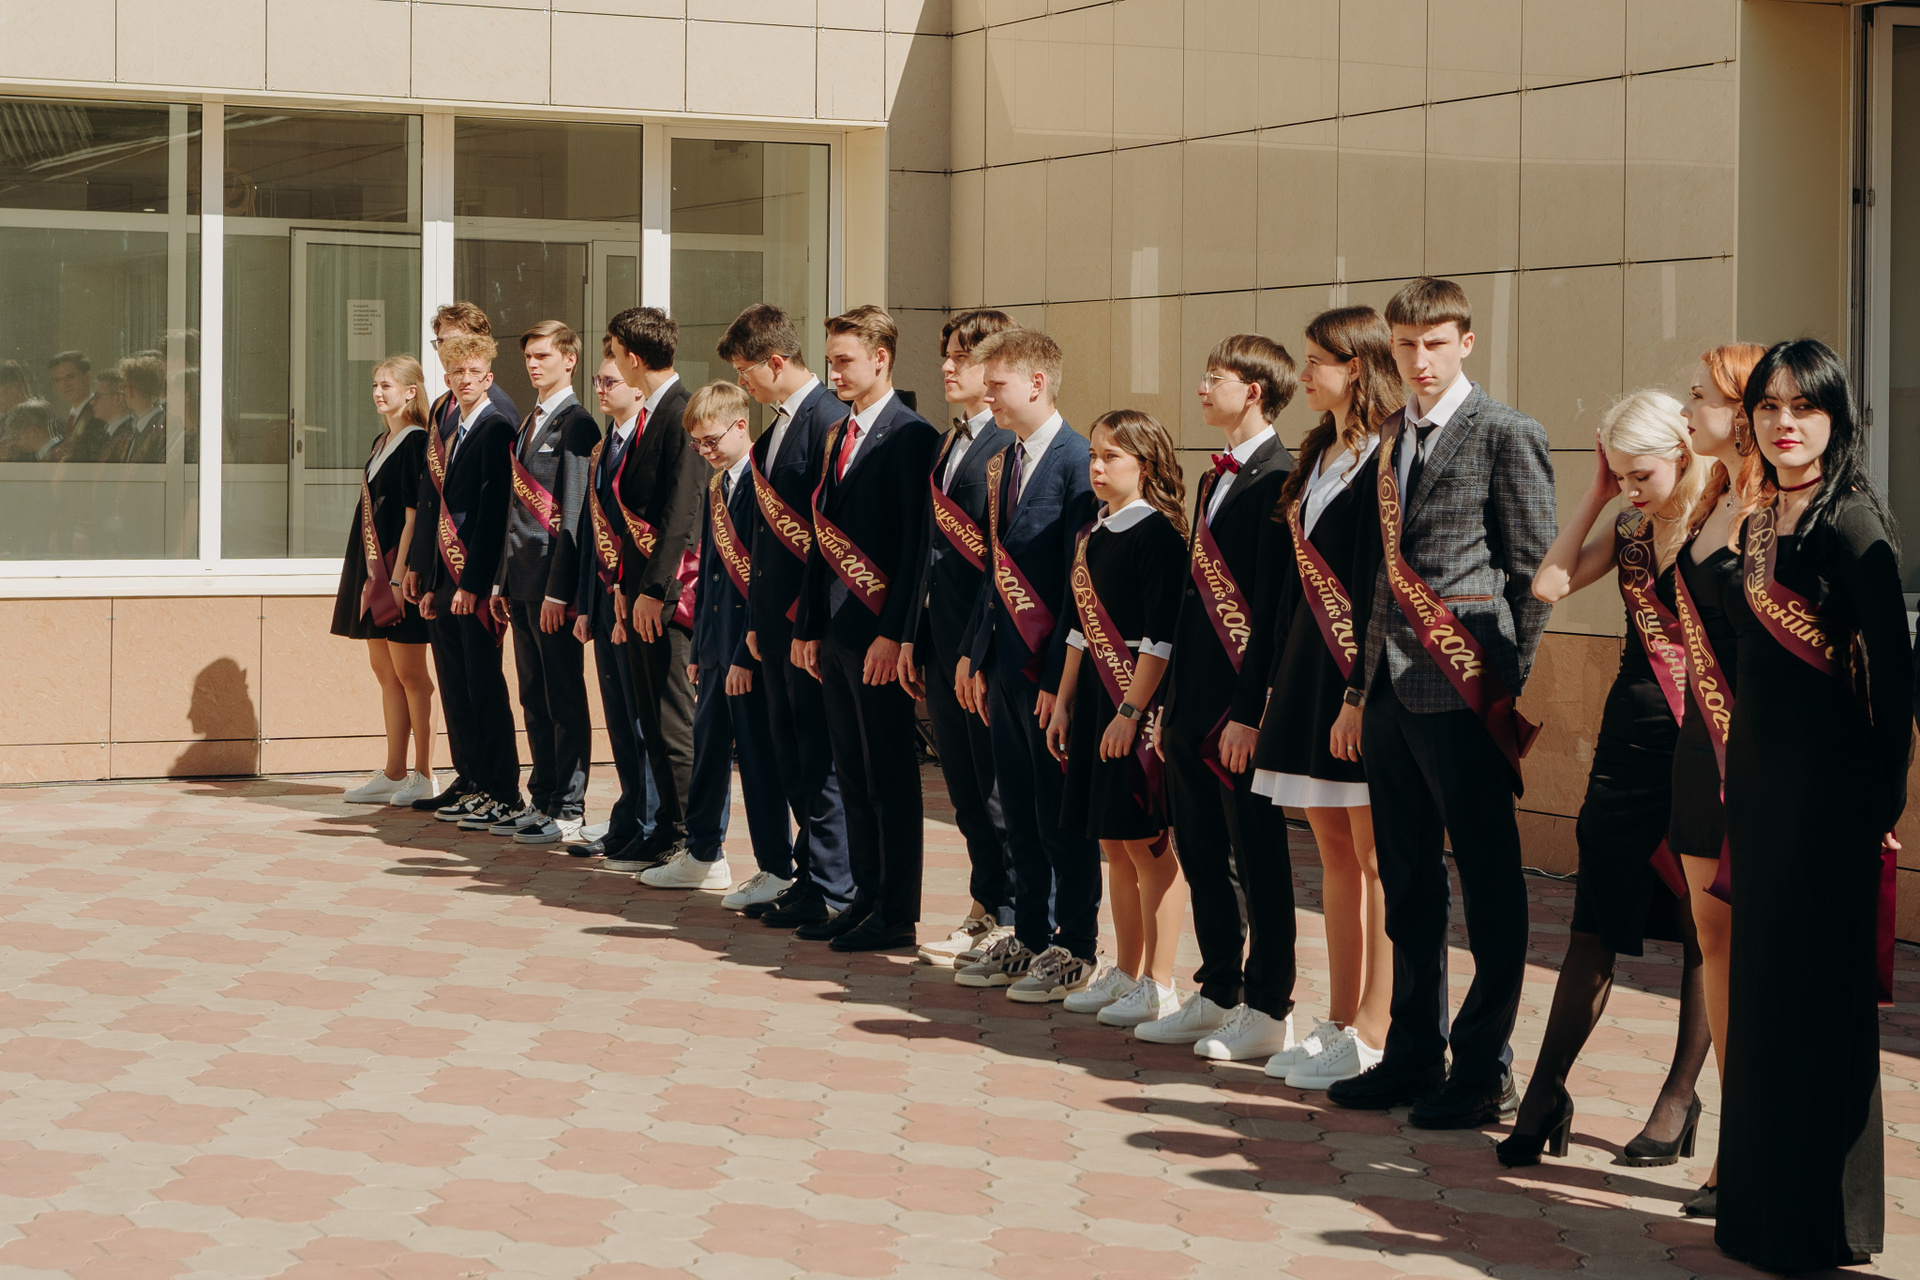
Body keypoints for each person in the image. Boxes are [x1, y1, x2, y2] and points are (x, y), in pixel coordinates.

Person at [1325, 277, 1556, 1129]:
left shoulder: (1507, 432)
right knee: (1410, 880)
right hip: (1391, 690)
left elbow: (1532, 574)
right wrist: (1359, 690)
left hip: (1465, 689)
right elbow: (1381, 579)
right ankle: (1415, 1051)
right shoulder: (1392, 434)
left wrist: (1503, 684)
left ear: (1465, 342)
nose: (1419, 359)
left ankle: (1485, 1066)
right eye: (1405, 345)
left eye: (1434, 343)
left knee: (1489, 881)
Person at [1716, 339, 1910, 1272]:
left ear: (1837, 418)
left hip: (1829, 797)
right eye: (1769, 407)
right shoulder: (1760, 521)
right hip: (1761, 789)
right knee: (1764, 994)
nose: (1784, 423)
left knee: (1817, 1003)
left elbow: (1895, 676)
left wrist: (1883, 793)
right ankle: (1758, 1211)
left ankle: (1819, 1224)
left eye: (1805, 407)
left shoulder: (1854, 523)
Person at [1497, 390, 1712, 1167]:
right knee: (1594, 916)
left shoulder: (1722, 520)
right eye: (1618, 474)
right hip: (1630, 738)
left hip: (1707, 738)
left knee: (1701, 921)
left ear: (1682, 454)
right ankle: (1547, 1091)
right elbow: (1549, 585)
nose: (1630, 488)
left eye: (1639, 474)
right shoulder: (1628, 528)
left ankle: (1678, 1098)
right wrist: (1594, 493)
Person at [1241, 308, 1402, 1086]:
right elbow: (1288, 585)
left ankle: (1377, 1026)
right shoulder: (1319, 452)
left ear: (1357, 366)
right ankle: (1339, 1018)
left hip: (1357, 676)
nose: (1303, 375)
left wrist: (1359, 691)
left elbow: (1378, 582)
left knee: (1376, 858)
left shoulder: (1388, 453)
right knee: (1332, 851)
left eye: (1316, 362)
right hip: (1307, 668)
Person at [1131, 334, 1298, 1056]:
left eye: (1215, 377)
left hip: (1240, 706)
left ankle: (1269, 1004)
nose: (1202, 387)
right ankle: (1219, 988)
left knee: (1257, 855)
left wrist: (1251, 711)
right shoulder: (1212, 478)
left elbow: (1273, 606)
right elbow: (1192, 602)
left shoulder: (1281, 478)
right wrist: (1166, 700)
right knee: (1202, 852)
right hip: (1191, 699)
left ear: (1254, 390)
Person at [953, 328, 1100, 1000]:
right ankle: (1032, 934)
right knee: (1015, 809)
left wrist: (1059, 683)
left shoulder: (1078, 462)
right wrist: (974, 651)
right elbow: (994, 569)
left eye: (998, 384)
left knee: (1058, 817)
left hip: (1050, 677)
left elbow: (1078, 586)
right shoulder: (1002, 461)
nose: (988, 397)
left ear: (1037, 383)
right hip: (1004, 667)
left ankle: (1075, 946)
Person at [793, 305, 939, 952]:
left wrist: (894, 632)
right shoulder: (837, 435)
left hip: (877, 634)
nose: (835, 372)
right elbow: (819, 538)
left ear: (881, 358)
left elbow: (914, 549)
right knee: (851, 772)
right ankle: (863, 896)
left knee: (889, 776)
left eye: (846, 360)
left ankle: (895, 912)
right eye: (831, 360)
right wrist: (809, 624)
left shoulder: (912, 437)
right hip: (835, 632)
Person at [1045, 410, 1189, 1020]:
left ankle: (1159, 981)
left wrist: (1131, 710)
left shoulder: (1158, 535)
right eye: (1093, 456)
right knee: (1114, 842)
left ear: (1146, 466)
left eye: (1112, 457)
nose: (1097, 467)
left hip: (1135, 699)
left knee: (1147, 843)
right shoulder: (1093, 534)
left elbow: (1162, 637)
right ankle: (1126, 970)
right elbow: (1080, 631)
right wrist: (1064, 702)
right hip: (1095, 699)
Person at [1666, 342, 1765, 1217]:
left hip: (1762, 758)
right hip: (1701, 747)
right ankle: (1736, 1148)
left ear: (1743, 411)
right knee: (1713, 944)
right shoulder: (1712, 495)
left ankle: (1767, 1150)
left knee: (1761, 950)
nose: (1685, 408)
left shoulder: (1780, 509)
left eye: (1699, 396)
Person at [721, 303, 853, 929]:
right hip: (772, 625)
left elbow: (828, 544)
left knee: (819, 761)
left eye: (746, 370)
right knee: (792, 757)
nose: (742, 382)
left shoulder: (828, 422)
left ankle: (834, 886)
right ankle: (810, 877)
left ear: (775, 362)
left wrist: (808, 626)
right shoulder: (777, 429)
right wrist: (755, 621)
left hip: (808, 627)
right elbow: (765, 543)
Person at [899, 309, 1019, 967]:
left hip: (986, 649)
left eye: (963, 357)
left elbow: (1002, 567)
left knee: (998, 791)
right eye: (946, 354)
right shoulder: (951, 442)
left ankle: (1011, 916)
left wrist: (978, 648)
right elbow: (928, 552)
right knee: (966, 791)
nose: (947, 367)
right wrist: (913, 638)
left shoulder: (1007, 446)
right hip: (941, 643)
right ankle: (984, 904)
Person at [643, 381, 794, 895]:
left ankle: (777, 867)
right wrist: (701, 645)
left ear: (740, 426)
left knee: (757, 761)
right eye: (698, 444)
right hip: (713, 647)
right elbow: (708, 571)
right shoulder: (716, 486)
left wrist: (741, 655)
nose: (705, 451)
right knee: (706, 753)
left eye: (711, 440)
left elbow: (761, 578)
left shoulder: (760, 481)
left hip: (746, 649)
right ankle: (703, 851)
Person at [403, 302, 523, 817]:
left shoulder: (499, 412)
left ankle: (497, 784)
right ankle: (469, 776)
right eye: (440, 345)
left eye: (454, 342)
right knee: (453, 681)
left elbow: (495, 510)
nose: (447, 355)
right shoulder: (443, 407)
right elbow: (431, 494)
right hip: (441, 569)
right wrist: (421, 566)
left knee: (481, 682)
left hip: (473, 570)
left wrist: (478, 580)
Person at [487, 321, 599, 845]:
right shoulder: (531, 420)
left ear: (569, 359)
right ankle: (543, 798)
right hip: (521, 580)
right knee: (533, 696)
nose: (533, 364)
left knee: (563, 698)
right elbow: (515, 510)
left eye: (544, 356)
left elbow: (573, 515)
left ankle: (569, 806)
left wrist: (560, 591)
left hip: (553, 586)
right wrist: (501, 582)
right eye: (529, 356)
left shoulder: (578, 424)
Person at [604, 306, 702, 873]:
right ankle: (666, 828)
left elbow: (680, 514)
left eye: (616, 354)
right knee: (649, 719)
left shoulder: (681, 412)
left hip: (669, 598)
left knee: (672, 721)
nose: (614, 363)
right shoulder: (650, 413)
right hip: (640, 590)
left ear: (635, 359)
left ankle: (691, 836)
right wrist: (625, 583)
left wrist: (654, 589)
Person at [330, 355, 437, 807]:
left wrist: (397, 578)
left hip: (397, 574)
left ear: (411, 391)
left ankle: (424, 774)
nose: (378, 393)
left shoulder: (416, 442)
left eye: (387, 385)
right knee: (385, 671)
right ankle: (394, 772)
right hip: (372, 571)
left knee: (412, 675)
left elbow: (414, 515)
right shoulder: (382, 441)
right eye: (375, 384)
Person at [570, 347, 661, 860]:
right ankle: (628, 819)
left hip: (634, 603)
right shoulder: (604, 447)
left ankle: (649, 823)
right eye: (599, 382)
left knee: (643, 722)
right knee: (620, 721)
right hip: (604, 603)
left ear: (638, 387)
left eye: (611, 381)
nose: (602, 390)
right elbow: (591, 533)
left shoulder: (646, 444)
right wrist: (586, 605)